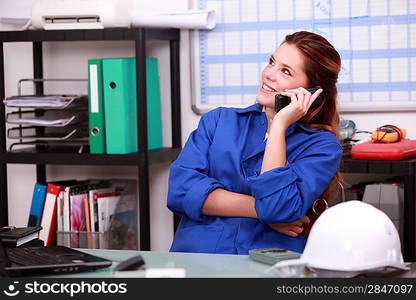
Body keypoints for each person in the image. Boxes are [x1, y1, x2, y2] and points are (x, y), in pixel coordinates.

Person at [167, 31, 343, 254]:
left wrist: (279, 125)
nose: (269, 74)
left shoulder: (321, 147)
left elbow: (277, 208)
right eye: (272, 62)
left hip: (268, 264)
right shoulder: (218, 121)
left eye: (285, 71)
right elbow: (179, 192)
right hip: (198, 256)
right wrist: (259, 210)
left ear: (311, 92)